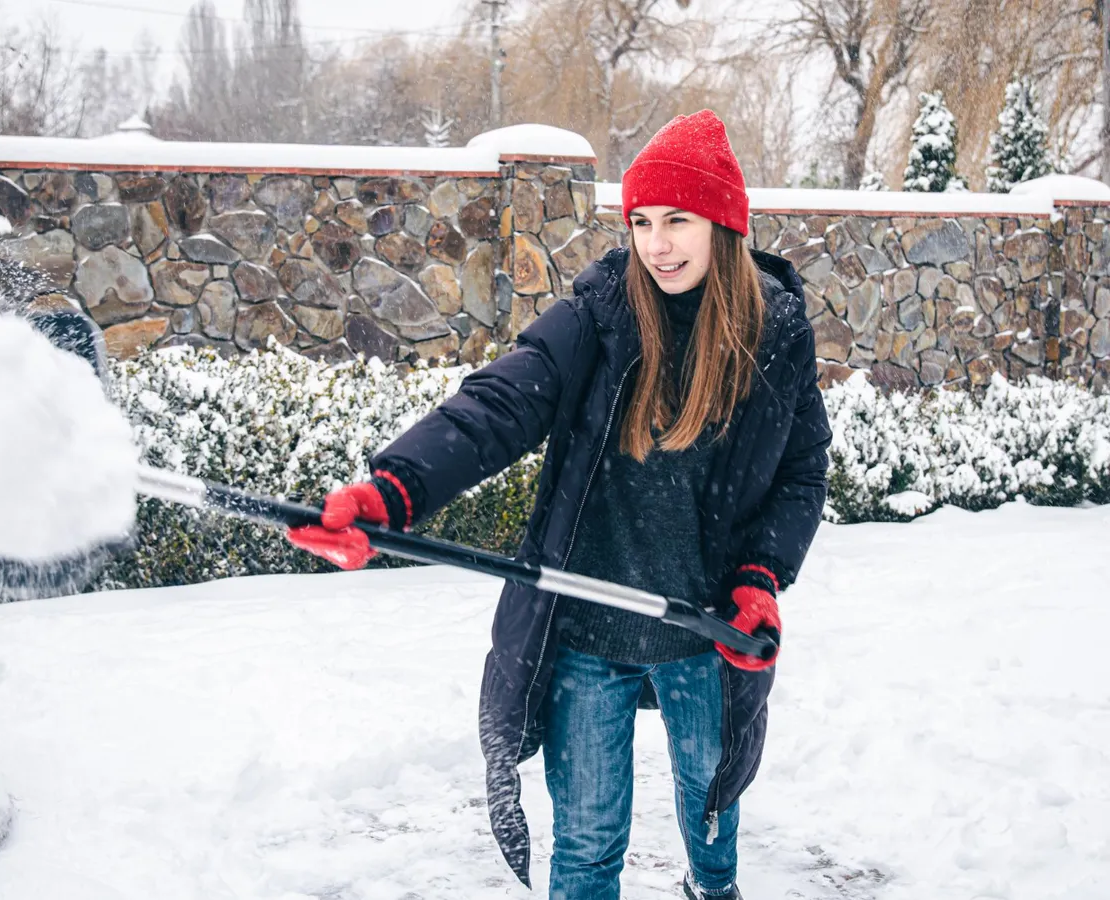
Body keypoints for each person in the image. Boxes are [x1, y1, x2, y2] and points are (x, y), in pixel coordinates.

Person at [287, 110, 832, 900]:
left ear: (723, 224)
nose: (658, 244)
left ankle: (709, 886)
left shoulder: (771, 331)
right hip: (586, 627)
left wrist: (759, 576)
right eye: (643, 221)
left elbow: (801, 471)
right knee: (584, 851)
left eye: (678, 221)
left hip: (706, 629)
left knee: (712, 823)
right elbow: (499, 404)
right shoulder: (602, 312)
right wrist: (393, 490)